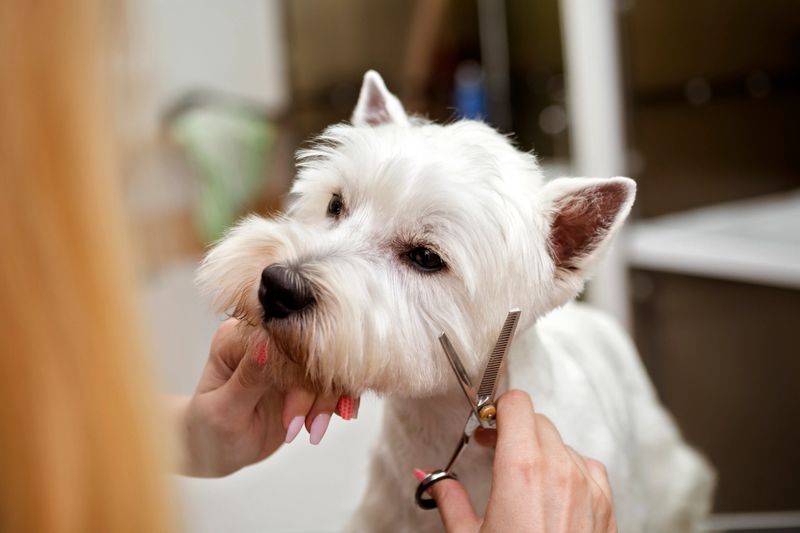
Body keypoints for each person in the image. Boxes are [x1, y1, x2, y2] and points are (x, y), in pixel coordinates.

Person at [0, 1, 616, 532]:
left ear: (559, 258)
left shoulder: (592, 452)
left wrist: (192, 432)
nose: (291, 271)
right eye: (337, 207)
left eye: (423, 255)